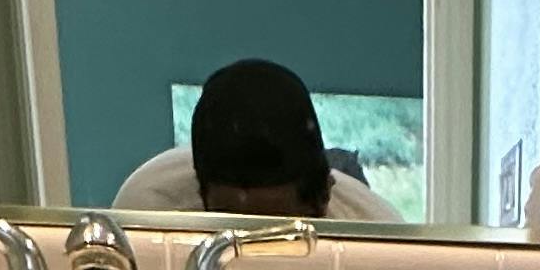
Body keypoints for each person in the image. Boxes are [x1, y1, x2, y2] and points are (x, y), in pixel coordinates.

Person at [111, 58, 406, 221]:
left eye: (277, 227)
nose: (249, 249)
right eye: (228, 223)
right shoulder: (146, 213)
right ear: (199, 194)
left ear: (324, 196)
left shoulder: (376, 232)